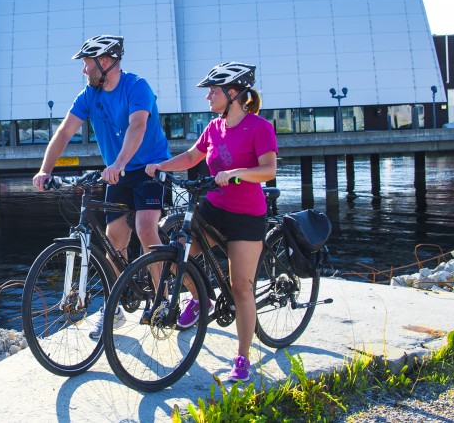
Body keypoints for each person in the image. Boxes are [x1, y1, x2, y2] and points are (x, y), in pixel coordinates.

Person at [145, 62, 277, 383]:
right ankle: (196, 297)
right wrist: (161, 166)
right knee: (176, 254)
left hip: (246, 217)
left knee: (241, 288)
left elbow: (268, 170)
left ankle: (243, 357)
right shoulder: (214, 127)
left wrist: (236, 174)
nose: (208, 97)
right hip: (214, 209)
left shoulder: (259, 127)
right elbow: (192, 156)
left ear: (233, 94)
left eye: (213, 91)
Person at [32, 34, 171, 339]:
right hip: (118, 173)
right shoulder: (89, 95)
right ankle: (115, 306)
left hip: (149, 167)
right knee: (113, 239)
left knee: (147, 229)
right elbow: (65, 131)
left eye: (86, 63)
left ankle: (161, 301)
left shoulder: (136, 87)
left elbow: (138, 127)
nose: (84, 70)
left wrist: (119, 163)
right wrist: (45, 169)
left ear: (105, 62)